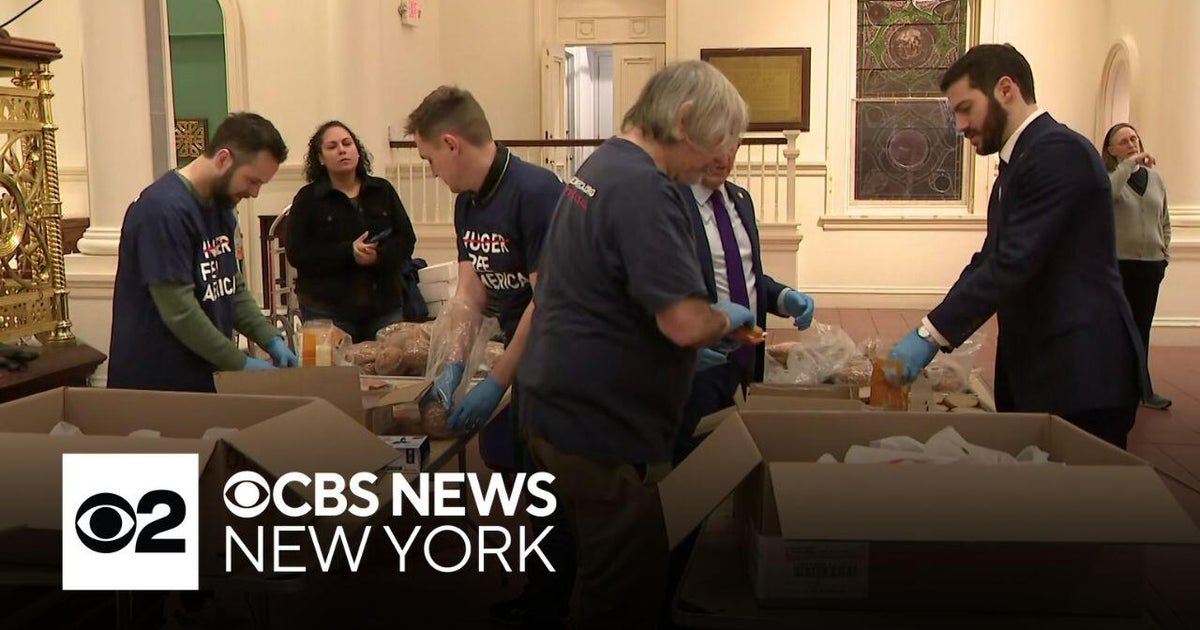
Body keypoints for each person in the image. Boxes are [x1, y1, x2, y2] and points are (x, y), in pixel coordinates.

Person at [517, 60, 755, 628]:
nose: (711, 164)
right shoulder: (646, 187)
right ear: (685, 118)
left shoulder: (601, 163)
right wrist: (720, 318)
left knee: (598, 575)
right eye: (713, 146)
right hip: (603, 432)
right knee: (622, 594)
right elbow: (683, 322)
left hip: (558, 410)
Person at [887, 44, 1147, 449]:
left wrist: (930, 336)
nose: (959, 126)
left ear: (1005, 89)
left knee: (1079, 503)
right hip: (1043, 367)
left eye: (965, 108)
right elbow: (989, 259)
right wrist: (928, 328)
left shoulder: (1058, 152)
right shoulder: (1021, 161)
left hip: (1081, 372)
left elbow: (1011, 263)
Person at [404, 86, 570, 628]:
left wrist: (498, 381)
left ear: (451, 143)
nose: (430, 170)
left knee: (551, 483)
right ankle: (539, 590)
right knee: (519, 472)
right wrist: (450, 363)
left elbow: (548, 302)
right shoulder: (467, 202)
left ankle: (556, 601)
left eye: (429, 157)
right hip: (512, 351)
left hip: (553, 360)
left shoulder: (536, 192)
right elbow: (471, 290)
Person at [108, 112, 298, 393]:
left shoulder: (220, 207)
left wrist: (269, 337)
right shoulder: (162, 210)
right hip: (157, 383)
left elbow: (230, 285)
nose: (255, 193)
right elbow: (180, 312)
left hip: (199, 375)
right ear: (223, 159)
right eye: (252, 181)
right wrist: (240, 363)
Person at [674, 142, 816, 463]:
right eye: (715, 146)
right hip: (699, 366)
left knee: (739, 456)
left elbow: (746, 275)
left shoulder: (740, 199)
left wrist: (781, 297)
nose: (724, 158)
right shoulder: (670, 203)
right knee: (695, 466)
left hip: (747, 360)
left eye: (732, 147)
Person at [284, 120, 417, 343]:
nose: (342, 150)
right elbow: (298, 253)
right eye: (332, 146)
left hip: (384, 305)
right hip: (326, 309)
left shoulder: (382, 190)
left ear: (357, 150)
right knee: (333, 376)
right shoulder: (308, 199)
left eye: (347, 143)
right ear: (320, 158)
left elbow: (406, 239)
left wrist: (378, 255)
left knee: (390, 371)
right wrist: (348, 253)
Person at [1102, 122, 1172, 410]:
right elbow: (1106, 198)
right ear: (1111, 150)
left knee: (1142, 329)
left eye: (1134, 138)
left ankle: (1144, 390)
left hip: (1150, 266)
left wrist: (1164, 254)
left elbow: (1164, 220)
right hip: (1120, 266)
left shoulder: (1156, 179)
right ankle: (1112, 389)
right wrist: (1126, 167)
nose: (1132, 144)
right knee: (1117, 330)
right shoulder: (1108, 177)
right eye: (1124, 141)